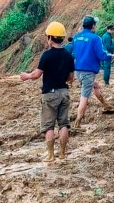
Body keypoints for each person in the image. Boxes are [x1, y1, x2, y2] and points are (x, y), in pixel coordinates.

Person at [20, 21, 74, 162]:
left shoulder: (46, 55)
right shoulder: (68, 55)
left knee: (49, 126)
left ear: (50, 38)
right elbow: (71, 78)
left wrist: (26, 76)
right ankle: (62, 153)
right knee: (64, 124)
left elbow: (37, 74)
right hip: (64, 93)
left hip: (49, 94)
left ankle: (50, 155)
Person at [72, 15, 114, 128]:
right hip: (88, 71)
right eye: (95, 25)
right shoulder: (95, 38)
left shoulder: (76, 37)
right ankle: (77, 122)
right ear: (93, 26)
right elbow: (102, 55)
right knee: (84, 96)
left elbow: (74, 53)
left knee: (95, 85)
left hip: (78, 71)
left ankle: (105, 105)